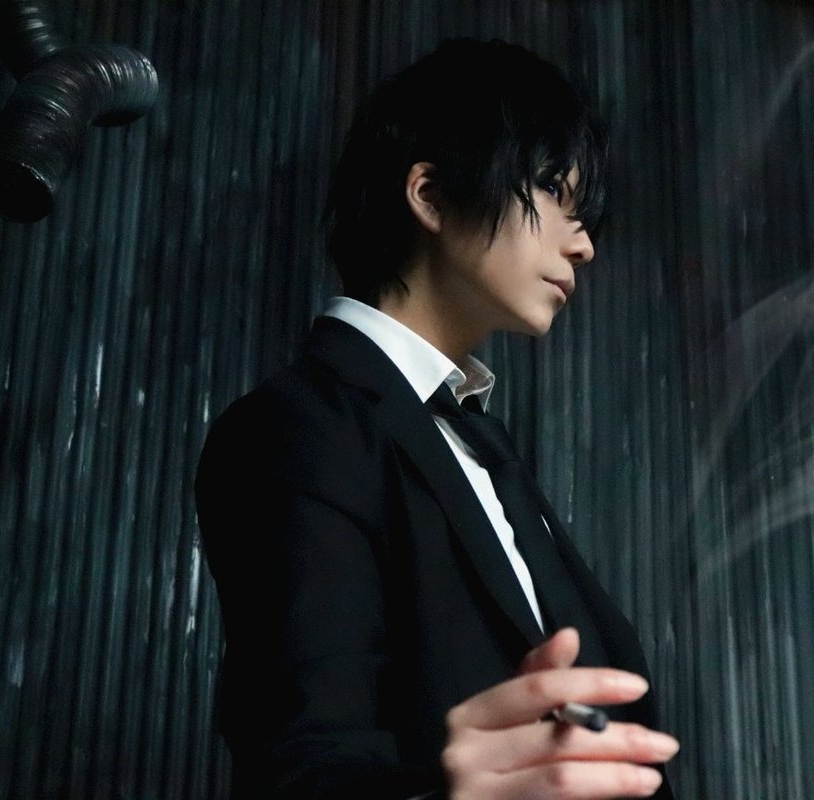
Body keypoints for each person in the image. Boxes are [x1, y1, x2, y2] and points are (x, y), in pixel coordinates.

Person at [195, 38, 679, 799]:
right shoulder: (300, 429)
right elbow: (303, 763)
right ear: (429, 195)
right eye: (552, 190)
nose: (584, 244)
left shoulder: (478, 443)